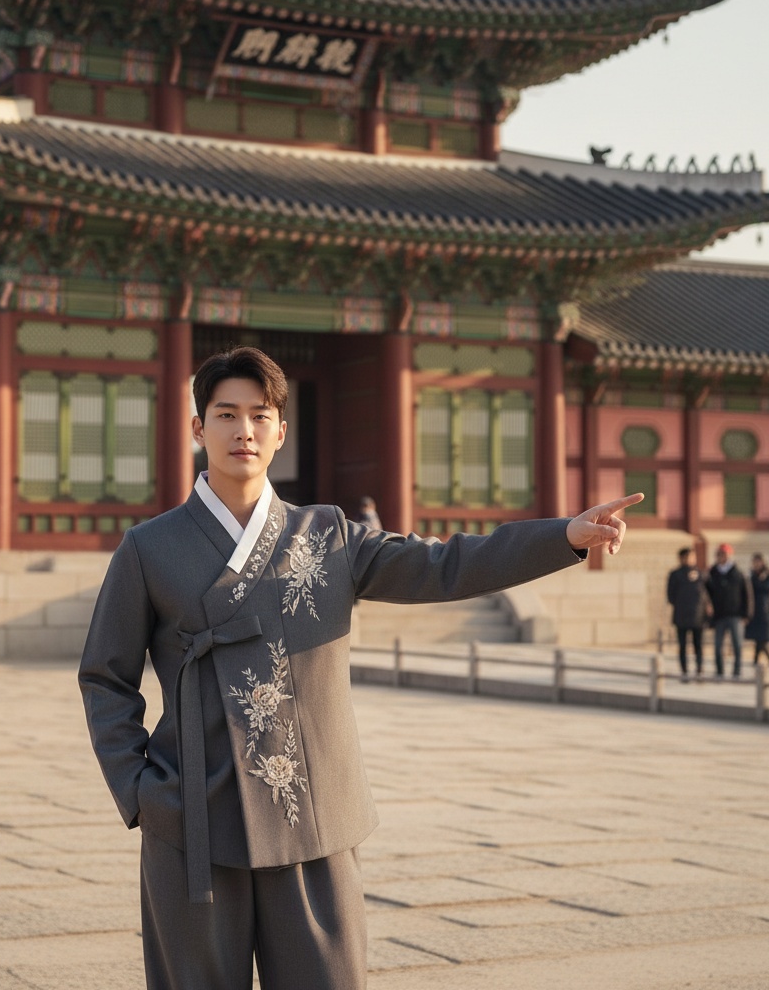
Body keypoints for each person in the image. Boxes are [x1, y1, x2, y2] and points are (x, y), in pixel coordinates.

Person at [78, 345, 644, 990]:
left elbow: (445, 564)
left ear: (281, 431)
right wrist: (145, 793)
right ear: (198, 428)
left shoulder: (328, 535)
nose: (244, 431)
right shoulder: (149, 547)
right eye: (226, 414)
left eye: (260, 416)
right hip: (194, 823)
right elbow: (105, 676)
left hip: (314, 815)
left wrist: (562, 536)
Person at [706, 542, 752, 680]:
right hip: (719, 615)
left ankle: (737, 671)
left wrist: (746, 615)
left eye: (723, 554)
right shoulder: (712, 573)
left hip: (735, 615)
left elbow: (747, 595)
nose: (720, 556)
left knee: (737, 645)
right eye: (718, 554)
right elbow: (707, 594)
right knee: (718, 646)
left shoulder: (738, 573)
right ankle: (719, 671)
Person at [666, 546, 709, 682]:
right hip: (681, 615)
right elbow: (670, 596)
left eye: (692, 556)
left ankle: (699, 669)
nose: (690, 559)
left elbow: (706, 593)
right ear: (681, 558)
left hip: (698, 616)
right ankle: (684, 671)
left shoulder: (701, 573)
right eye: (687, 556)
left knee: (698, 644)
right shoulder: (675, 574)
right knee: (683, 645)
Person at [745, 552, 769, 668]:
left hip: (765, 610)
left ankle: (760, 661)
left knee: (762, 639)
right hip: (754, 610)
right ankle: (762, 661)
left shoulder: (768, 575)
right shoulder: (751, 576)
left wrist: (757, 581)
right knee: (759, 639)